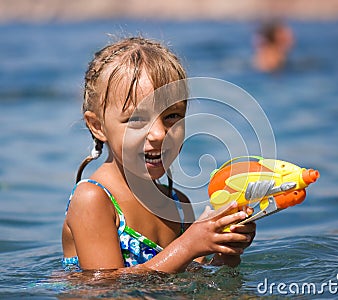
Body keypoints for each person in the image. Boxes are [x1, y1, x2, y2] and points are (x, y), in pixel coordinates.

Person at [61, 36, 256, 273]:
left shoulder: (178, 204)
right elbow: (104, 288)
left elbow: (191, 281)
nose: (159, 134)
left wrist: (225, 251)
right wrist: (188, 246)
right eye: (137, 119)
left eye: (172, 116)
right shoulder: (93, 199)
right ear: (98, 126)